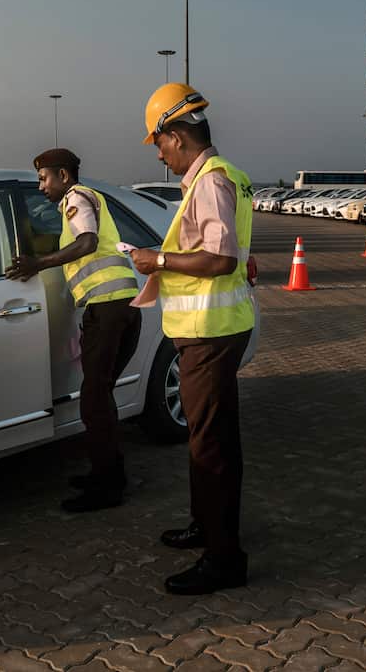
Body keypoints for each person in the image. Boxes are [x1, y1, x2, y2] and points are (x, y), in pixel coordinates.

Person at [128, 83, 255, 595]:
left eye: (158, 143)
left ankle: (223, 559)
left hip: (209, 333)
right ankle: (208, 526)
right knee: (213, 438)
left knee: (211, 446)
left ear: (177, 136)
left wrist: (154, 259)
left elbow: (220, 259)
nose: (158, 155)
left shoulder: (210, 183)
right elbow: (237, 254)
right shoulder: (230, 178)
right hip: (213, 330)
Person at [6, 147, 141, 512]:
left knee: (94, 401)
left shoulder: (76, 197)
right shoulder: (87, 200)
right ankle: (108, 473)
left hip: (107, 308)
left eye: (43, 178)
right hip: (124, 305)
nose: (40, 186)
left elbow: (88, 242)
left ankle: (107, 488)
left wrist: (39, 263)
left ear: (63, 176)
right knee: (102, 396)